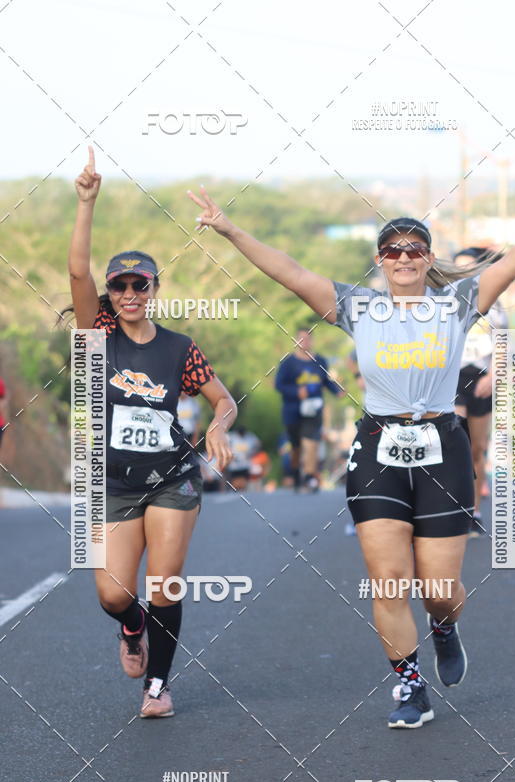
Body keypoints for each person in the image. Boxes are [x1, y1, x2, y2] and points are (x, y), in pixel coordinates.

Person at [188, 182, 515, 728]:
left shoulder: (457, 303)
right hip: (378, 446)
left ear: (427, 259)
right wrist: (230, 229)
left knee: (439, 589)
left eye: (414, 249)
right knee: (387, 579)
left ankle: (445, 628)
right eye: (392, 249)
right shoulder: (358, 307)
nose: (403, 257)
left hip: (442, 448)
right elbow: (287, 271)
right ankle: (409, 686)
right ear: (380, 260)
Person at [69, 148, 236, 718]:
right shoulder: (98, 337)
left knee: (165, 583)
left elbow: (224, 398)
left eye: (141, 284)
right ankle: (133, 626)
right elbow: (75, 272)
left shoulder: (179, 349)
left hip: (171, 477)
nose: (130, 293)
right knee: (114, 593)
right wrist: (86, 203)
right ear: (110, 294)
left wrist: (219, 424)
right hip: (110, 481)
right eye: (120, 286)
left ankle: (158, 687)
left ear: (155, 289)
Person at [453, 248, 509, 537]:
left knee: (476, 449)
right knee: (457, 442)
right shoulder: (444, 301)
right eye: (457, 267)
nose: (463, 272)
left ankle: (474, 512)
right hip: (452, 378)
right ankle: (452, 509)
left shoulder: (493, 305)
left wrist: (494, 374)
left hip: (481, 379)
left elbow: (502, 345)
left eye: (468, 268)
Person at [275, 327, 344, 492]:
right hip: (293, 410)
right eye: (301, 339)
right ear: (296, 341)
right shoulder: (288, 363)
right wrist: (296, 392)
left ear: (312, 341)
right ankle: (296, 473)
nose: (304, 342)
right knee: (296, 447)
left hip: (314, 409)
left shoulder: (320, 361)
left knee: (311, 442)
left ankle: (310, 476)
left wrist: (337, 391)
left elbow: (325, 381)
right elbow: (279, 385)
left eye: (307, 339)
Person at [225, 425, 261, 491]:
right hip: (234, 465)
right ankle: (234, 491)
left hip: (245, 464)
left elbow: (258, 444)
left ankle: (243, 492)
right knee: (235, 483)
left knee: (244, 482)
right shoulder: (231, 437)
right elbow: (224, 445)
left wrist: (252, 453)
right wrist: (229, 455)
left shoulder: (250, 436)